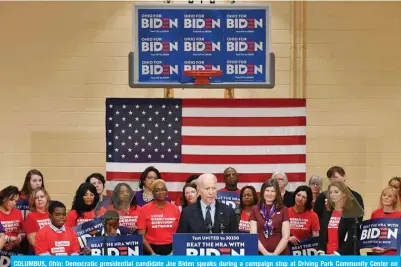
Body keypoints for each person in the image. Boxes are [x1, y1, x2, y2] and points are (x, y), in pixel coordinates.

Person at [137, 179, 180, 255]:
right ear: (153, 193)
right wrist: (152, 254)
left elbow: (180, 233)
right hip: (150, 249)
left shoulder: (175, 209)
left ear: (167, 192)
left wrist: (174, 252)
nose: (161, 192)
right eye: (157, 190)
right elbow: (141, 236)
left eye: (163, 189)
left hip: (172, 250)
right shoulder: (145, 209)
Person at [318, 181, 360, 255]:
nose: (332, 195)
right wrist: (321, 250)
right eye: (330, 192)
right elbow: (322, 235)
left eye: (336, 192)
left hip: (342, 256)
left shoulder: (350, 214)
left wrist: (337, 253)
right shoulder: (326, 213)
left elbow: (351, 239)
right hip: (327, 255)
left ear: (343, 194)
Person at [250, 179, 290, 255]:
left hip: (281, 254)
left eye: (273, 191)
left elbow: (286, 236)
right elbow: (253, 236)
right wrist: (266, 254)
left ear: (277, 193)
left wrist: (275, 254)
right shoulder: (255, 209)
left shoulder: (284, 209)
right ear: (263, 192)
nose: (269, 194)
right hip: (260, 254)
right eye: (267, 190)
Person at [370, 186, 401, 255]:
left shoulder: (399, 215)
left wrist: (387, 248)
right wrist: (372, 246)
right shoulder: (375, 213)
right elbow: (371, 234)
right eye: (384, 195)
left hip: (392, 254)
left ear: (395, 199)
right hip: (376, 254)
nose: (386, 197)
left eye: (389, 196)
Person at [0, 186, 25, 253]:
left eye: (16, 201)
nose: (14, 203)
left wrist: (17, 241)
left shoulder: (18, 212)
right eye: (11, 199)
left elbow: (23, 232)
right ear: (4, 198)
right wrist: (8, 239)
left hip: (15, 250)